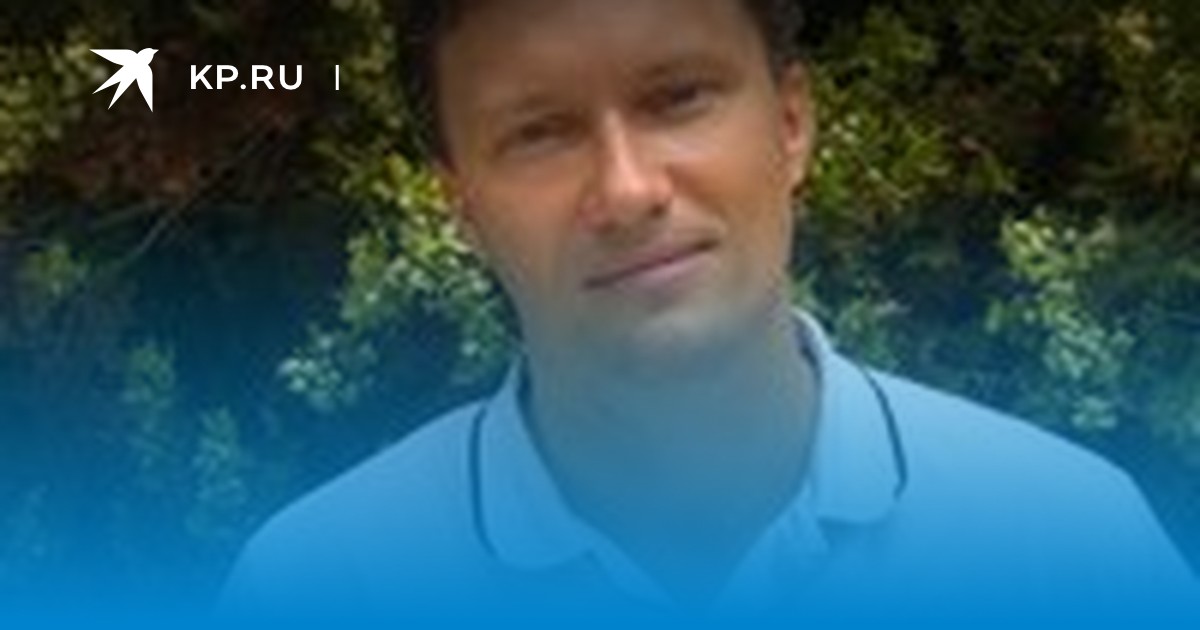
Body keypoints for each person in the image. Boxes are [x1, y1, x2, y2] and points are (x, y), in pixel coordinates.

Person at [220, 0, 1197, 624]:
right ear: (461, 204)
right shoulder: (313, 589)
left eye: (679, 97)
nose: (627, 189)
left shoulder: (1072, 547)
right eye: (540, 132)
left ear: (791, 125)